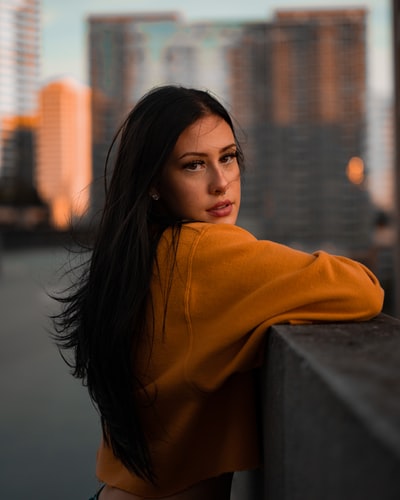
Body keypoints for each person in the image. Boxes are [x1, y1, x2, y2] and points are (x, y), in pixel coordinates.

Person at [53, 85, 383, 500]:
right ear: (154, 181)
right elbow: (363, 289)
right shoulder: (200, 252)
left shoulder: (138, 256)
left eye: (227, 157)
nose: (221, 182)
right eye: (194, 166)